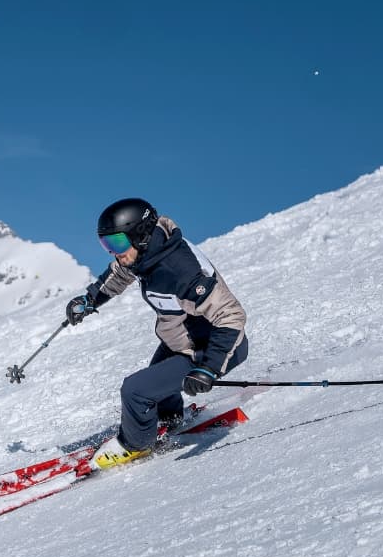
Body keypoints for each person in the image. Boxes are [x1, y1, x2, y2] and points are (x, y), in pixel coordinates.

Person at [66, 198, 248, 470]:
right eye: (106, 245)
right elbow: (120, 273)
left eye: (116, 243)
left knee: (136, 391)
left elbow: (232, 317)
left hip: (214, 348)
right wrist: (90, 299)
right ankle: (169, 420)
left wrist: (209, 368)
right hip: (183, 340)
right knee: (156, 388)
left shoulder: (182, 271)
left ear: (139, 235)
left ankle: (135, 445)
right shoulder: (146, 254)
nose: (113, 252)